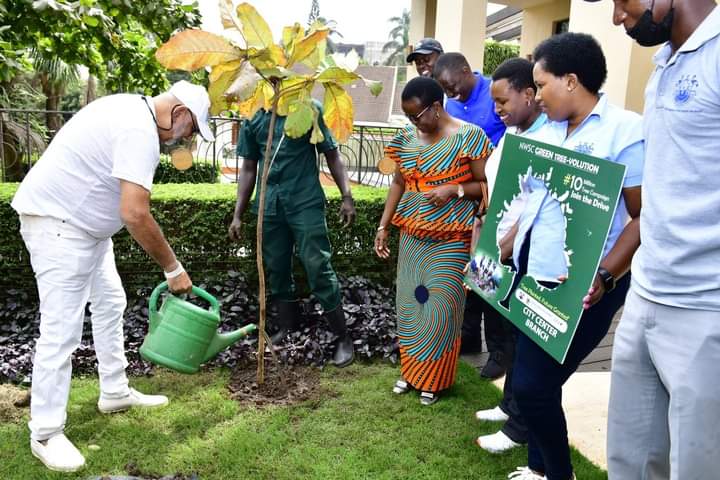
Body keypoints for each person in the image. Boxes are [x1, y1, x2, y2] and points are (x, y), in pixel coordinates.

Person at [11, 80, 213, 472]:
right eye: (191, 130)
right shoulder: (138, 129)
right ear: (182, 113)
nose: (186, 140)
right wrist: (173, 267)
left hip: (86, 229)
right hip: (59, 225)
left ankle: (115, 391)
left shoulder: (131, 109)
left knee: (110, 303)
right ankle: (46, 433)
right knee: (61, 331)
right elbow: (135, 213)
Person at [591, 1, 720, 478]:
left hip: (705, 307)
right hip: (645, 297)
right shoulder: (663, 62)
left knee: (697, 465)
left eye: (620, 0)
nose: (616, 15)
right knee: (631, 459)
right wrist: (609, 273)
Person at [507, 33, 644, 480]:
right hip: (535, 278)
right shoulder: (546, 131)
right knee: (536, 386)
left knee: (533, 385)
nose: (536, 95)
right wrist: (496, 250)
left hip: (588, 288)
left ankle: (556, 474)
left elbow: (642, 218)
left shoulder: (625, 130)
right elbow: (529, 202)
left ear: (570, 80)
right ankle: (539, 468)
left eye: (541, 85)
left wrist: (605, 276)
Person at [374, 76, 493, 405]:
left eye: (417, 116)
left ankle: (435, 380)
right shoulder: (406, 138)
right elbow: (398, 182)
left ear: (437, 108)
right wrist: (384, 226)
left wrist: (453, 189)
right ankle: (411, 373)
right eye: (408, 117)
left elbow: (486, 185)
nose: (414, 123)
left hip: (452, 237)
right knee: (411, 306)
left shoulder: (470, 137)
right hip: (412, 234)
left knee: (440, 308)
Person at [229, 101, 355, 368]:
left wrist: (347, 196)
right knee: (276, 266)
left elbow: (331, 153)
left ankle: (342, 336)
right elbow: (249, 167)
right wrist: (238, 214)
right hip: (270, 204)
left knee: (317, 264)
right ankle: (288, 327)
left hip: (304, 201)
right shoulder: (253, 116)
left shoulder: (309, 109)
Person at [473, 58, 548, 455]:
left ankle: (519, 426)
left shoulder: (547, 138)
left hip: (522, 253)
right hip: (499, 246)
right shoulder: (512, 134)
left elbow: (535, 205)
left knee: (524, 339)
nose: (498, 109)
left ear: (529, 94)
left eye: (504, 101)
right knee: (507, 332)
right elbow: (498, 184)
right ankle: (509, 405)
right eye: (495, 102)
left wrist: (500, 248)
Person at [433, 51, 510, 379]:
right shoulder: (452, 104)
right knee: (470, 274)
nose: (451, 95)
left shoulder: (495, 93)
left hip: (498, 194)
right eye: (446, 91)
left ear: (466, 71)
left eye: (453, 87)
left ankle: (499, 352)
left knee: (488, 271)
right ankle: (467, 338)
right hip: (468, 200)